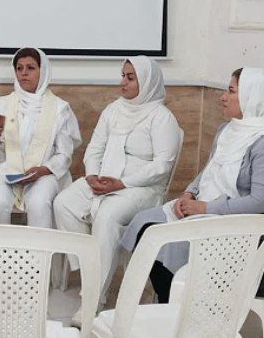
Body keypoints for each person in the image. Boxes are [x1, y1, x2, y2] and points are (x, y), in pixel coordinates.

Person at [121, 67, 264, 303]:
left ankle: (174, 304)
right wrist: (189, 194)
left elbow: (261, 201)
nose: (223, 97)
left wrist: (204, 208)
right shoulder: (228, 130)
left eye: (231, 91)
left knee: (164, 237)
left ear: (253, 97)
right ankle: (170, 300)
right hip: (206, 211)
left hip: (236, 229)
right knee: (144, 223)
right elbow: (208, 172)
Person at [53, 57, 182, 322]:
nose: (123, 82)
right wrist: (92, 175)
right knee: (63, 203)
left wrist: (123, 183)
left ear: (147, 82)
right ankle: (92, 270)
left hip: (141, 188)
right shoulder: (113, 110)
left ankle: (93, 298)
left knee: (107, 216)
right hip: (105, 179)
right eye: (123, 75)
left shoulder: (161, 118)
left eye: (130, 78)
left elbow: (163, 165)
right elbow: (95, 149)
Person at [0, 47, 81, 228]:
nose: (23, 73)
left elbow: (64, 155)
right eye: (19, 68)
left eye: (30, 68)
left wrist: (43, 170)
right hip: (5, 170)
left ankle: (38, 248)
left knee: (38, 204)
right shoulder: (3, 103)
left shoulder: (60, 109)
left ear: (43, 71)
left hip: (44, 173)